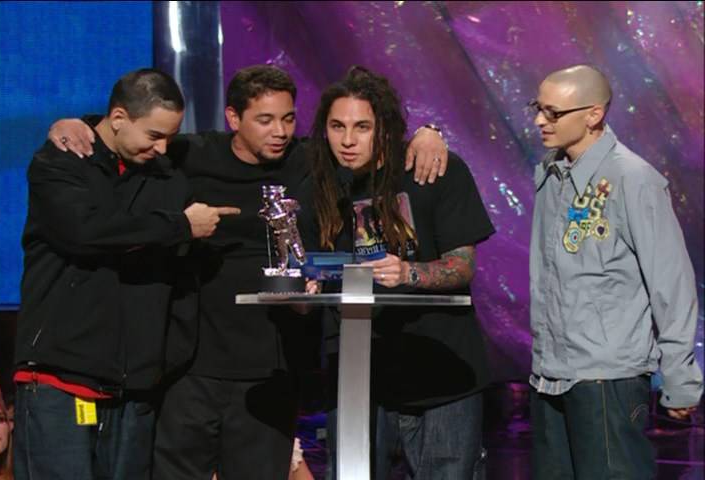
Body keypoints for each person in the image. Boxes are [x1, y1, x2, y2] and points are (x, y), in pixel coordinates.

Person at [48, 64, 449, 479]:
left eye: (288, 119)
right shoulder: (191, 155)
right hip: (191, 367)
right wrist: (79, 124)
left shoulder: (309, 161)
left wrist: (429, 133)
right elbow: (134, 131)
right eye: (265, 120)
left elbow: (370, 147)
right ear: (233, 118)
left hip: (272, 369)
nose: (280, 132)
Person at [13, 68, 233, 480]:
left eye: (170, 137)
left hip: (136, 386)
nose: (163, 147)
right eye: (154, 135)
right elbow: (86, 231)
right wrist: (180, 226)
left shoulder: (166, 174)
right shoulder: (60, 161)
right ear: (118, 119)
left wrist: (165, 357)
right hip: (61, 377)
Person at [296, 66, 495, 479]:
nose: (347, 140)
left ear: (384, 128)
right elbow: (310, 272)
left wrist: (408, 272)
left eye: (362, 127)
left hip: (442, 371)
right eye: (337, 126)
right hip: (358, 377)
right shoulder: (318, 185)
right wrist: (304, 289)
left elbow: (462, 266)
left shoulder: (431, 169)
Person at [528, 64, 703, 479]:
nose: (539, 121)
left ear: (594, 114)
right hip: (549, 373)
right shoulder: (550, 174)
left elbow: (671, 283)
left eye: (553, 113)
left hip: (607, 377)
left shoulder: (634, 179)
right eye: (538, 108)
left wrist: (680, 378)